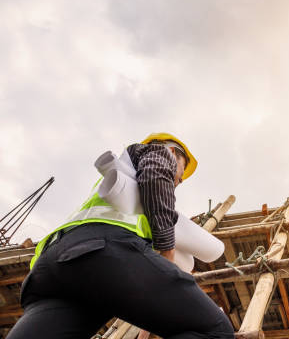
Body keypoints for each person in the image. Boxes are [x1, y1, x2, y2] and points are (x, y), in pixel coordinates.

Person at [7, 133, 234, 339]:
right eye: (179, 176)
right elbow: (156, 177)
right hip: (100, 253)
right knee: (215, 331)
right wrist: (167, 251)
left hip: (52, 270)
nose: (177, 183)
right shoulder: (156, 152)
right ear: (172, 153)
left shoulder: (124, 181)